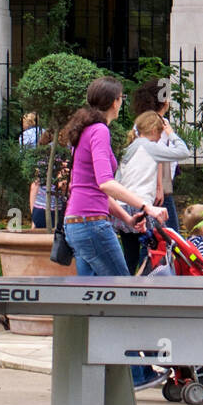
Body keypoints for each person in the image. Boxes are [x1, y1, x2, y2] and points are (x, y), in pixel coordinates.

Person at [58, 78, 167, 279]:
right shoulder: (99, 130)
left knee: (95, 293)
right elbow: (106, 183)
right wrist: (147, 206)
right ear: (115, 102)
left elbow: (95, 187)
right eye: (121, 98)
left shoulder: (84, 129)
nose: (122, 102)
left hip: (77, 222)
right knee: (121, 289)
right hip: (91, 224)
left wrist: (126, 218)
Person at [114, 110, 191, 272]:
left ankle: (124, 284)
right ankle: (144, 285)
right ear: (155, 130)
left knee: (130, 254)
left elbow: (118, 177)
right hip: (142, 205)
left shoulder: (129, 148)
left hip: (123, 205)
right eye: (161, 132)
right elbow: (184, 152)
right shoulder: (151, 147)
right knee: (149, 251)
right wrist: (171, 133)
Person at [130, 78, 187, 233]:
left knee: (154, 232)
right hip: (158, 186)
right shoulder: (157, 123)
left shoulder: (144, 121)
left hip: (152, 184)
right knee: (168, 233)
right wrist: (159, 187)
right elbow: (157, 155)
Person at [28, 130, 69, 231]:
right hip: (59, 209)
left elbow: (34, 186)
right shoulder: (66, 153)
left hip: (39, 209)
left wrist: (33, 216)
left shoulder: (42, 154)